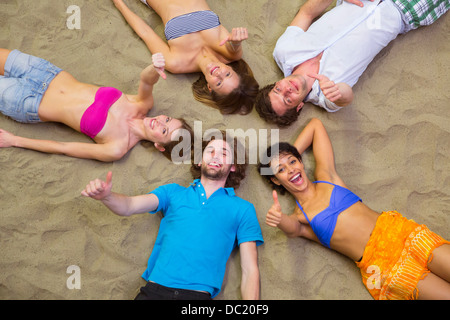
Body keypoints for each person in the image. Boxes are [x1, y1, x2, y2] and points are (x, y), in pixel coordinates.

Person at [258, 118, 450, 300]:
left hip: (400, 232)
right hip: (383, 266)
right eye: (281, 171)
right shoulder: (301, 217)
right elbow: (292, 229)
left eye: (293, 161)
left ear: (300, 161)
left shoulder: (327, 177)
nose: (291, 170)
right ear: (275, 180)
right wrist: (279, 218)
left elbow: (316, 126)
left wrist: (283, 157)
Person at [81, 132, 264, 300]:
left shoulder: (243, 209)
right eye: (210, 151)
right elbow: (129, 205)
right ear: (200, 161)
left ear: (233, 166)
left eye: (224, 153)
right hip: (154, 290)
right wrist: (107, 197)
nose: (216, 156)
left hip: (196, 298)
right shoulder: (172, 192)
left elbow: (249, 270)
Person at [255, 0, 449, 127]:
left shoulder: (284, 51)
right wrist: (337, 91)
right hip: (404, 10)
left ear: (275, 84)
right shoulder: (325, 96)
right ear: (298, 107)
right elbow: (346, 97)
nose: (286, 91)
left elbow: (306, 14)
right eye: (287, 100)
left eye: (277, 91)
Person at [0, 49, 193, 162]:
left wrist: (15, 140)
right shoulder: (142, 103)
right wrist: (155, 67)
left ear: (159, 146)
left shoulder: (117, 148)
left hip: (26, 101)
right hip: (46, 72)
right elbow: (147, 81)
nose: (159, 122)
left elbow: (64, 147)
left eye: (165, 130)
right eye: (167, 119)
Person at [112, 0, 259, 115]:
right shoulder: (230, 52)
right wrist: (237, 40)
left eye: (219, 83)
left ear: (209, 87)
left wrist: (119, 3)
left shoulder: (177, 63)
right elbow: (235, 47)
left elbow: (145, 32)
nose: (219, 73)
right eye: (227, 74)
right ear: (231, 68)